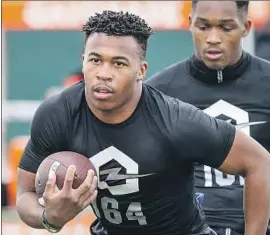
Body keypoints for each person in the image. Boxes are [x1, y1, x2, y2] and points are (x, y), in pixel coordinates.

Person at [16, 10, 270, 235]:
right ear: (83, 61)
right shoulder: (57, 114)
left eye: (119, 63)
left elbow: (259, 162)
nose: (104, 73)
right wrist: (49, 218)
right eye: (95, 60)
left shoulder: (176, 121)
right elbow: (24, 196)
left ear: (141, 70)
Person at [146, 1, 270, 235]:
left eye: (226, 28)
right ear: (191, 24)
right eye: (204, 27)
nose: (213, 38)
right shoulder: (159, 92)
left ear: (246, 27)